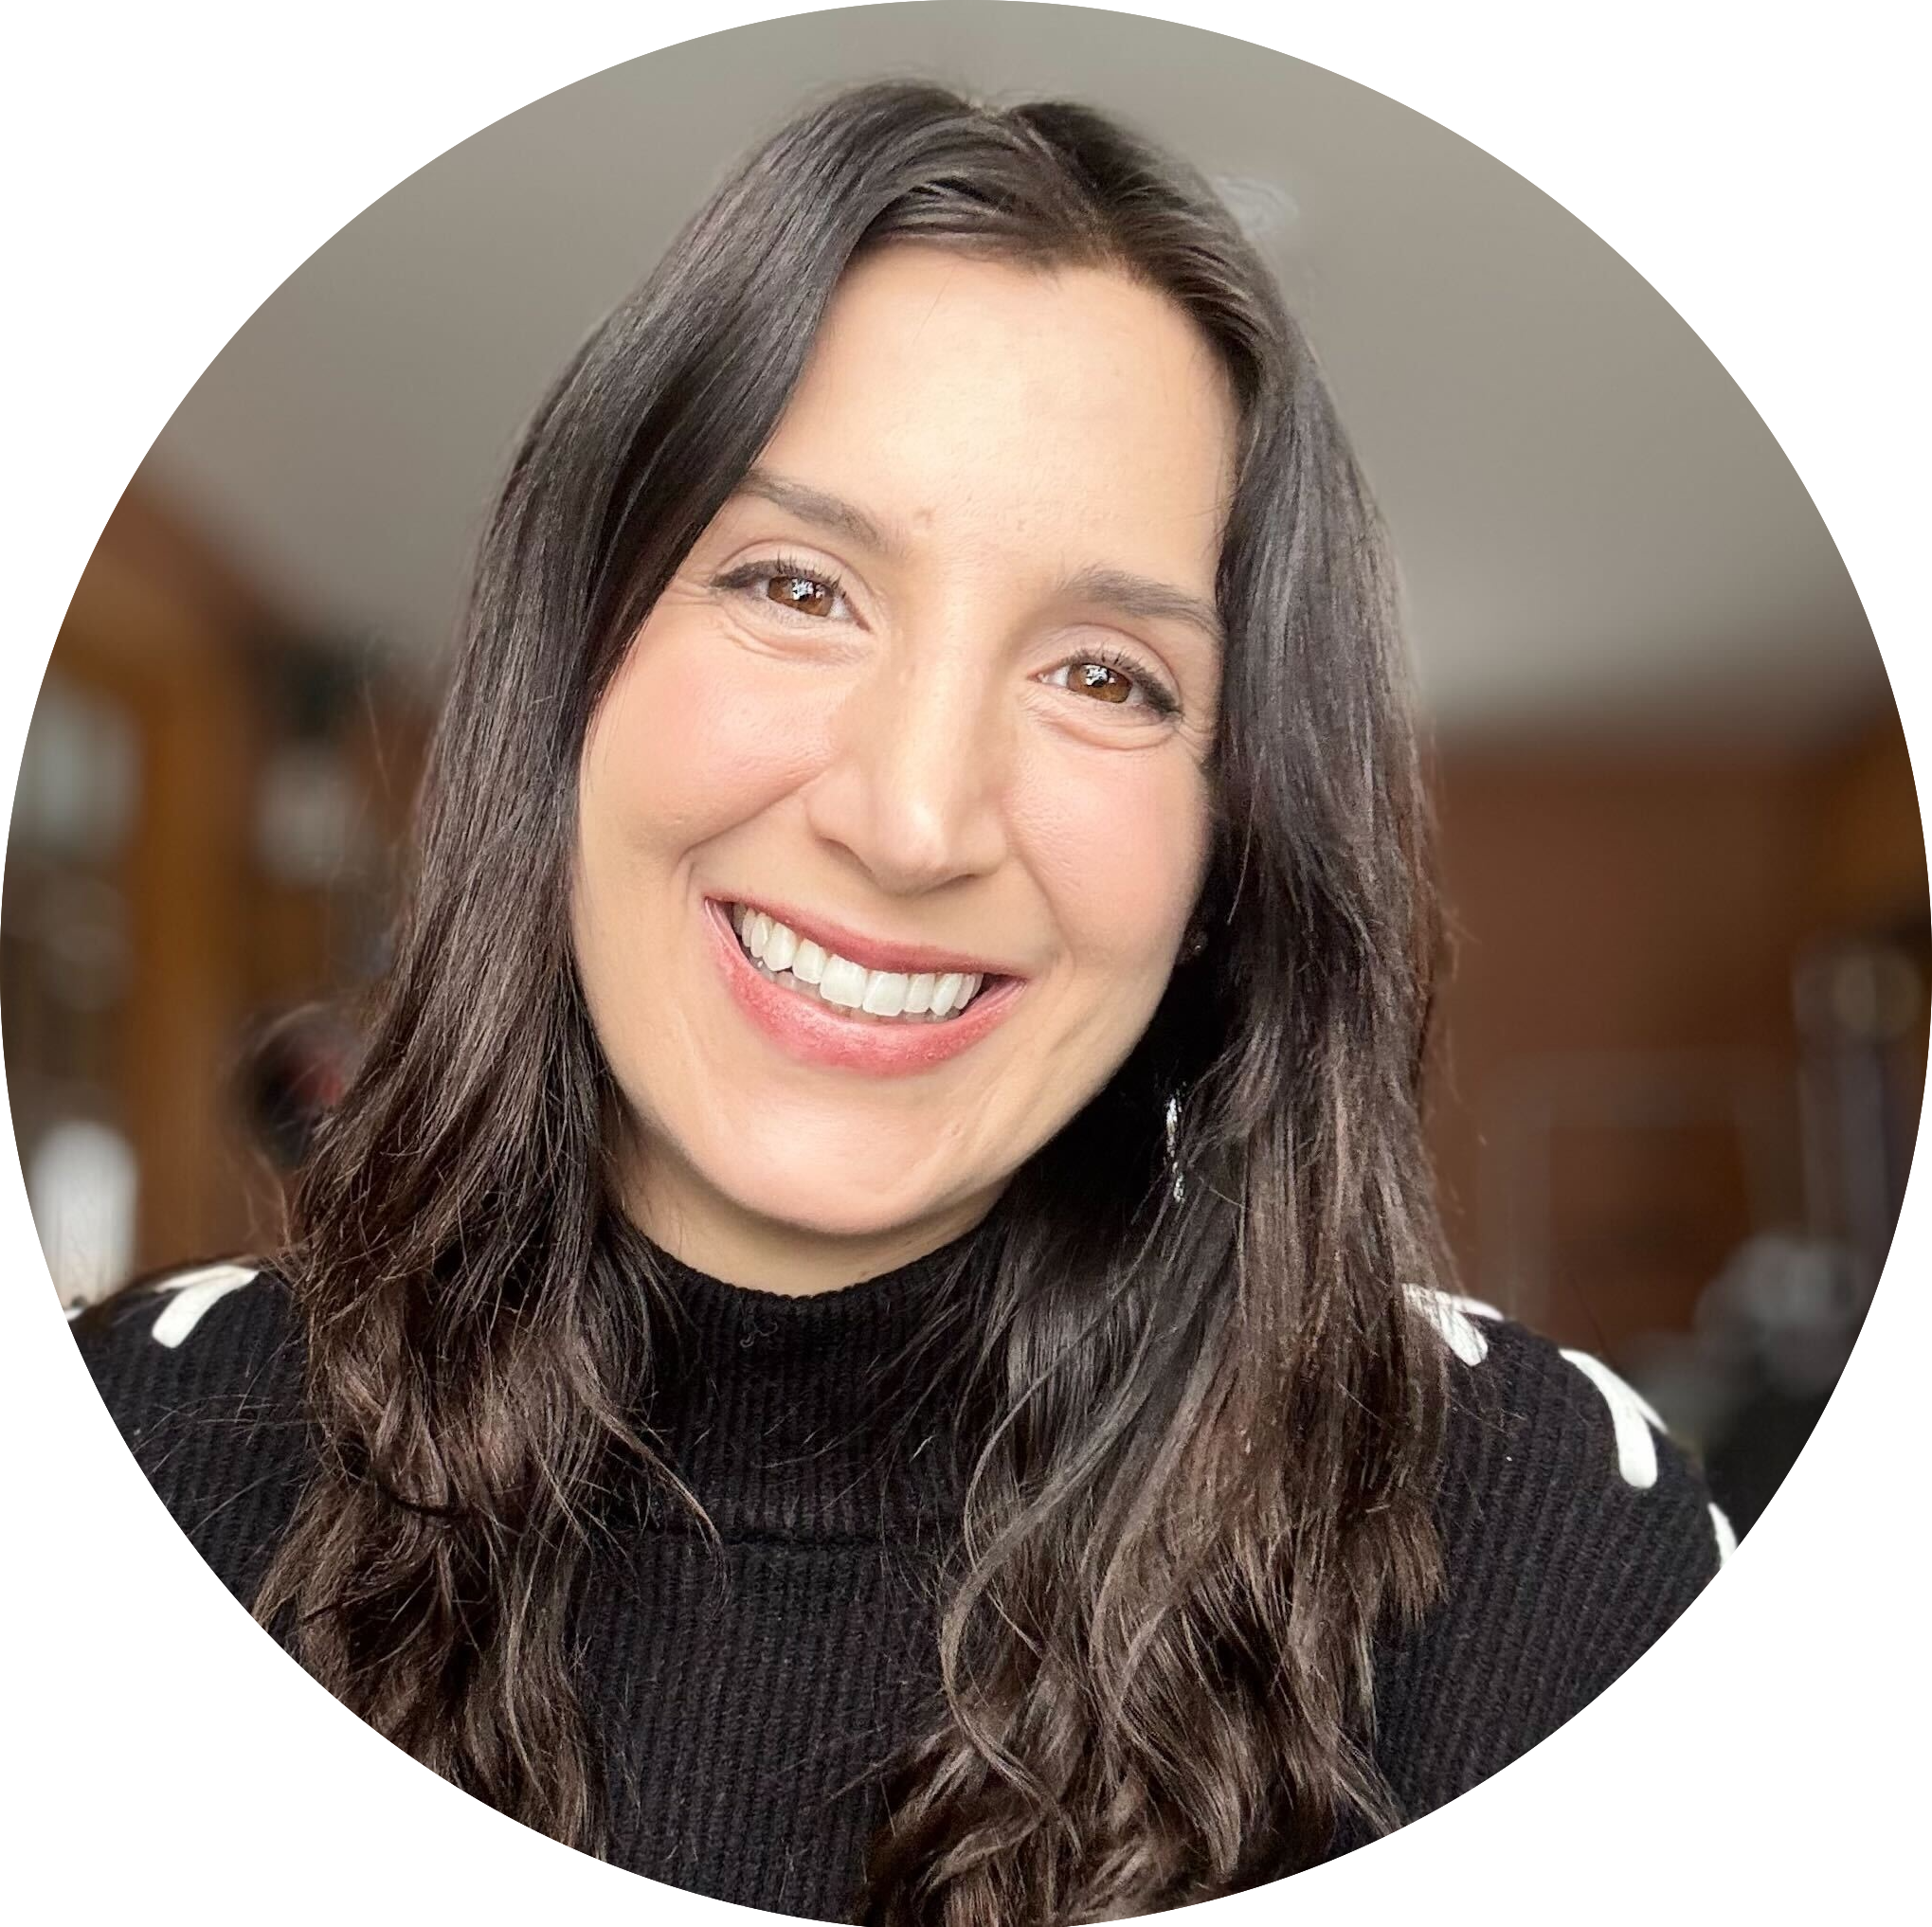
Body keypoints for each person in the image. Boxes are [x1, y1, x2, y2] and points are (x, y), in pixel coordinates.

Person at [69, 79, 1732, 1924]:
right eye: (794, 584)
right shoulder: (158, 1428)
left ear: (1223, 845)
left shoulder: (1530, 1525)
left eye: (1106, 676)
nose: (914, 817)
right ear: (572, 678)